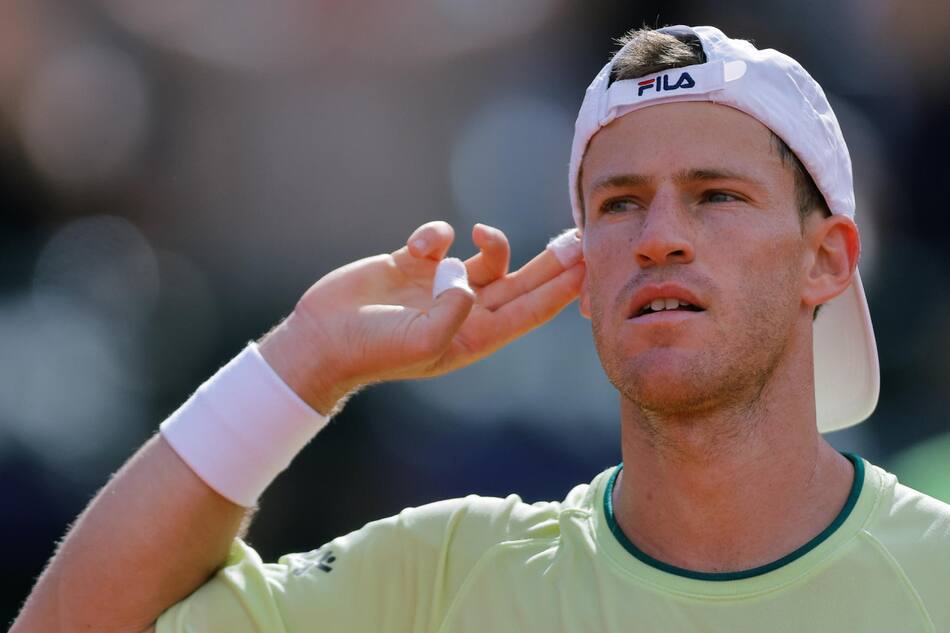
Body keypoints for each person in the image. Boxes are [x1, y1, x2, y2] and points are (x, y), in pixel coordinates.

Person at [12, 25, 950, 633]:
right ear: (584, 272)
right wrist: (304, 364)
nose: (661, 236)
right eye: (619, 205)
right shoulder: (444, 572)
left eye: (716, 195)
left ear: (827, 257)